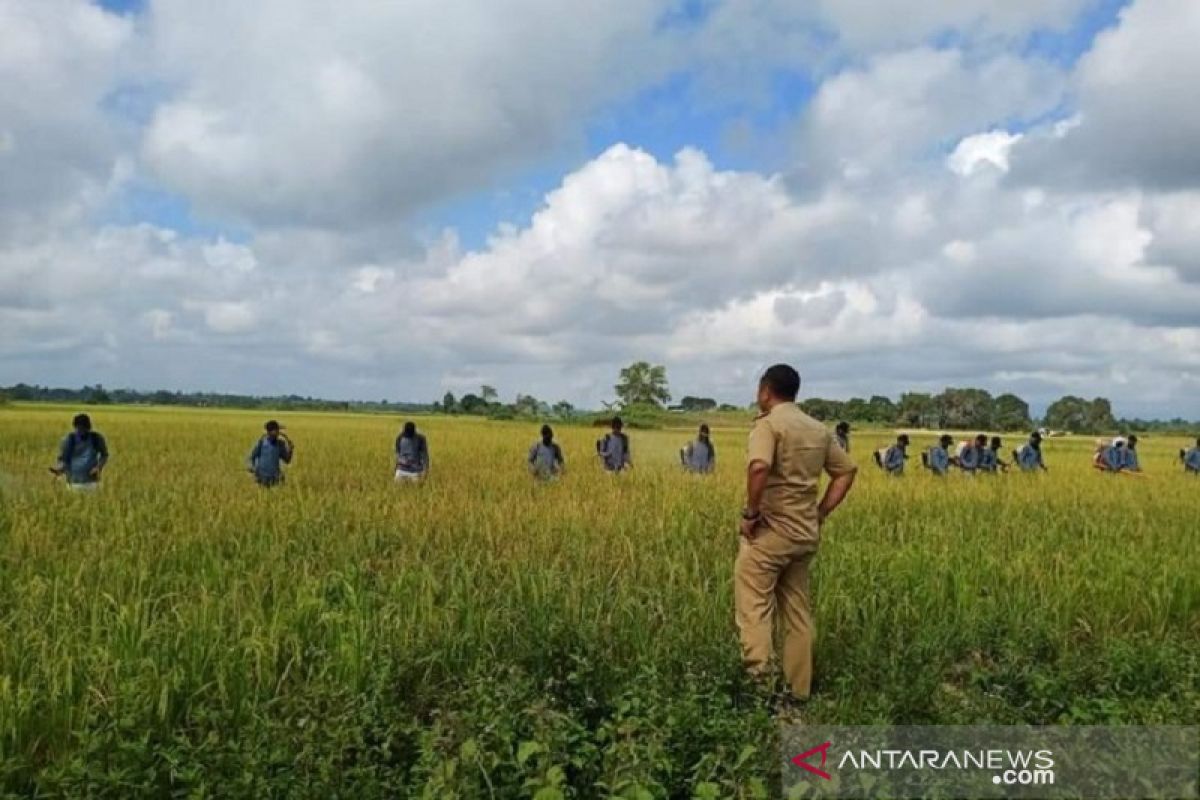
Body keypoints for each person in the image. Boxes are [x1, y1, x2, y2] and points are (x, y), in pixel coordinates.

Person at [736, 364, 857, 701]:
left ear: (765, 391)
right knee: (797, 613)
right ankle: (798, 692)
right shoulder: (817, 429)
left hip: (770, 533)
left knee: (754, 609)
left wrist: (750, 513)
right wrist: (819, 513)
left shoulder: (769, 424)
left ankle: (763, 690)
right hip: (804, 536)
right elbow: (846, 471)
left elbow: (759, 466)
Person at [50, 413, 109, 491]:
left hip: (92, 482)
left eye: (84, 429)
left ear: (88, 427)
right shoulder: (69, 440)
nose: (81, 431)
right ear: (75, 427)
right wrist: (60, 469)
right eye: (79, 428)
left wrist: (98, 467)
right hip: (73, 482)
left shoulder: (96, 438)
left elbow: (104, 455)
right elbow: (63, 458)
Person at [248, 420, 293, 487]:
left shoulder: (280, 444)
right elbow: (252, 457)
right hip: (262, 476)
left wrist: (290, 450)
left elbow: (287, 460)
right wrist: (252, 467)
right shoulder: (261, 443)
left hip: (275, 477)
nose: (277, 433)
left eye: (277, 431)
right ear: (269, 432)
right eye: (275, 431)